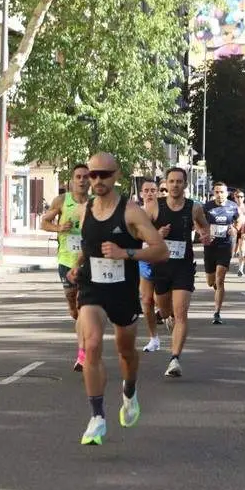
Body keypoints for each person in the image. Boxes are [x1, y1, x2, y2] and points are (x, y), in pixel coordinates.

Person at [66, 153, 168, 446]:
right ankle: (97, 417)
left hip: (122, 290)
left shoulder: (131, 211)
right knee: (92, 343)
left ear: (116, 175)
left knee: (126, 352)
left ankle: (130, 392)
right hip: (92, 287)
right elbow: (88, 245)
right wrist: (77, 263)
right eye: (92, 174)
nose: (96, 180)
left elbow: (160, 250)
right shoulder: (85, 210)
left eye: (103, 175)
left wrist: (128, 253)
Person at [147, 167, 211, 377]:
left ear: (185, 184)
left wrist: (204, 235)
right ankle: (167, 319)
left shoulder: (194, 208)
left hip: (183, 266)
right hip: (161, 266)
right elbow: (139, 234)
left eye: (179, 181)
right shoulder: (154, 206)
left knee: (181, 313)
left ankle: (175, 359)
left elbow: (204, 226)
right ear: (166, 184)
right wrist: (157, 233)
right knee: (165, 310)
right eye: (172, 181)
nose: (175, 185)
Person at [41, 163, 91, 371]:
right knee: (74, 308)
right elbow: (44, 223)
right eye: (78, 176)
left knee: (83, 306)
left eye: (85, 177)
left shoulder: (95, 203)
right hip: (65, 260)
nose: (82, 180)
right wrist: (59, 227)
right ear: (72, 180)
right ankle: (82, 332)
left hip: (88, 261)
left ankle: (83, 353)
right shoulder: (62, 201)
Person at [203, 182, 240, 324]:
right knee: (210, 281)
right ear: (214, 193)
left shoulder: (232, 206)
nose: (219, 194)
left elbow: (239, 220)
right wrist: (205, 232)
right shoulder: (207, 207)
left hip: (225, 247)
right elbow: (199, 223)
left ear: (226, 193)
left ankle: (217, 312)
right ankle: (216, 287)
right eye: (217, 192)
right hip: (210, 247)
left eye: (222, 192)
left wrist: (235, 229)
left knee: (220, 279)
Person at [137, 179, 161, 351]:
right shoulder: (136, 213)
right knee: (146, 300)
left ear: (158, 193)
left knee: (161, 299)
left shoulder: (164, 211)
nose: (150, 193)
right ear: (141, 194)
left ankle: (166, 314)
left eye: (153, 190)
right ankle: (154, 338)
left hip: (163, 259)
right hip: (144, 259)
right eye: (146, 190)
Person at [233, 191, 245, 276]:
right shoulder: (232, 206)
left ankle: (241, 269)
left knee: (242, 250)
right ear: (235, 197)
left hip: (243, 230)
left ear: (244, 198)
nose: (239, 198)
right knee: (233, 251)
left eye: (241, 197)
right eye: (238, 197)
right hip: (234, 230)